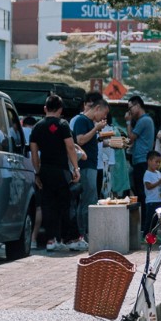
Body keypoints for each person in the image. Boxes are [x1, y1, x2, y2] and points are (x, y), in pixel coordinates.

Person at [28, 94, 81, 252]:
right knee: (65, 205)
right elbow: (70, 147)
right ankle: (70, 239)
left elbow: (34, 153)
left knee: (48, 207)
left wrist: (37, 173)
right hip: (61, 171)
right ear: (60, 109)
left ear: (45, 108)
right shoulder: (63, 124)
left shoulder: (37, 127)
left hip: (45, 171)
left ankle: (51, 240)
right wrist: (76, 168)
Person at [66, 92, 110, 250]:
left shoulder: (89, 122)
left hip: (91, 165)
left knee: (88, 199)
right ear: (97, 108)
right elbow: (80, 140)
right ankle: (85, 234)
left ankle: (83, 233)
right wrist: (96, 129)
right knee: (88, 200)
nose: (103, 119)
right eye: (103, 114)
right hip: (85, 166)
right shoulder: (82, 120)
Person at [125, 95, 155, 219]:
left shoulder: (143, 120)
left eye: (130, 108)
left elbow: (130, 138)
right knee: (140, 192)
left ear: (137, 106)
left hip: (141, 160)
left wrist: (127, 122)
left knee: (141, 193)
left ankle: (144, 222)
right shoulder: (145, 120)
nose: (129, 111)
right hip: (141, 159)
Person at [142, 151, 161, 220]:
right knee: (150, 220)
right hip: (151, 201)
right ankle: (147, 231)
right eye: (156, 162)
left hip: (159, 200)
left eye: (159, 162)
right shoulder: (147, 174)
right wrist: (159, 182)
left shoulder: (158, 173)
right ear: (149, 161)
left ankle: (153, 231)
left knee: (157, 220)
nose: (158, 164)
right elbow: (148, 186)